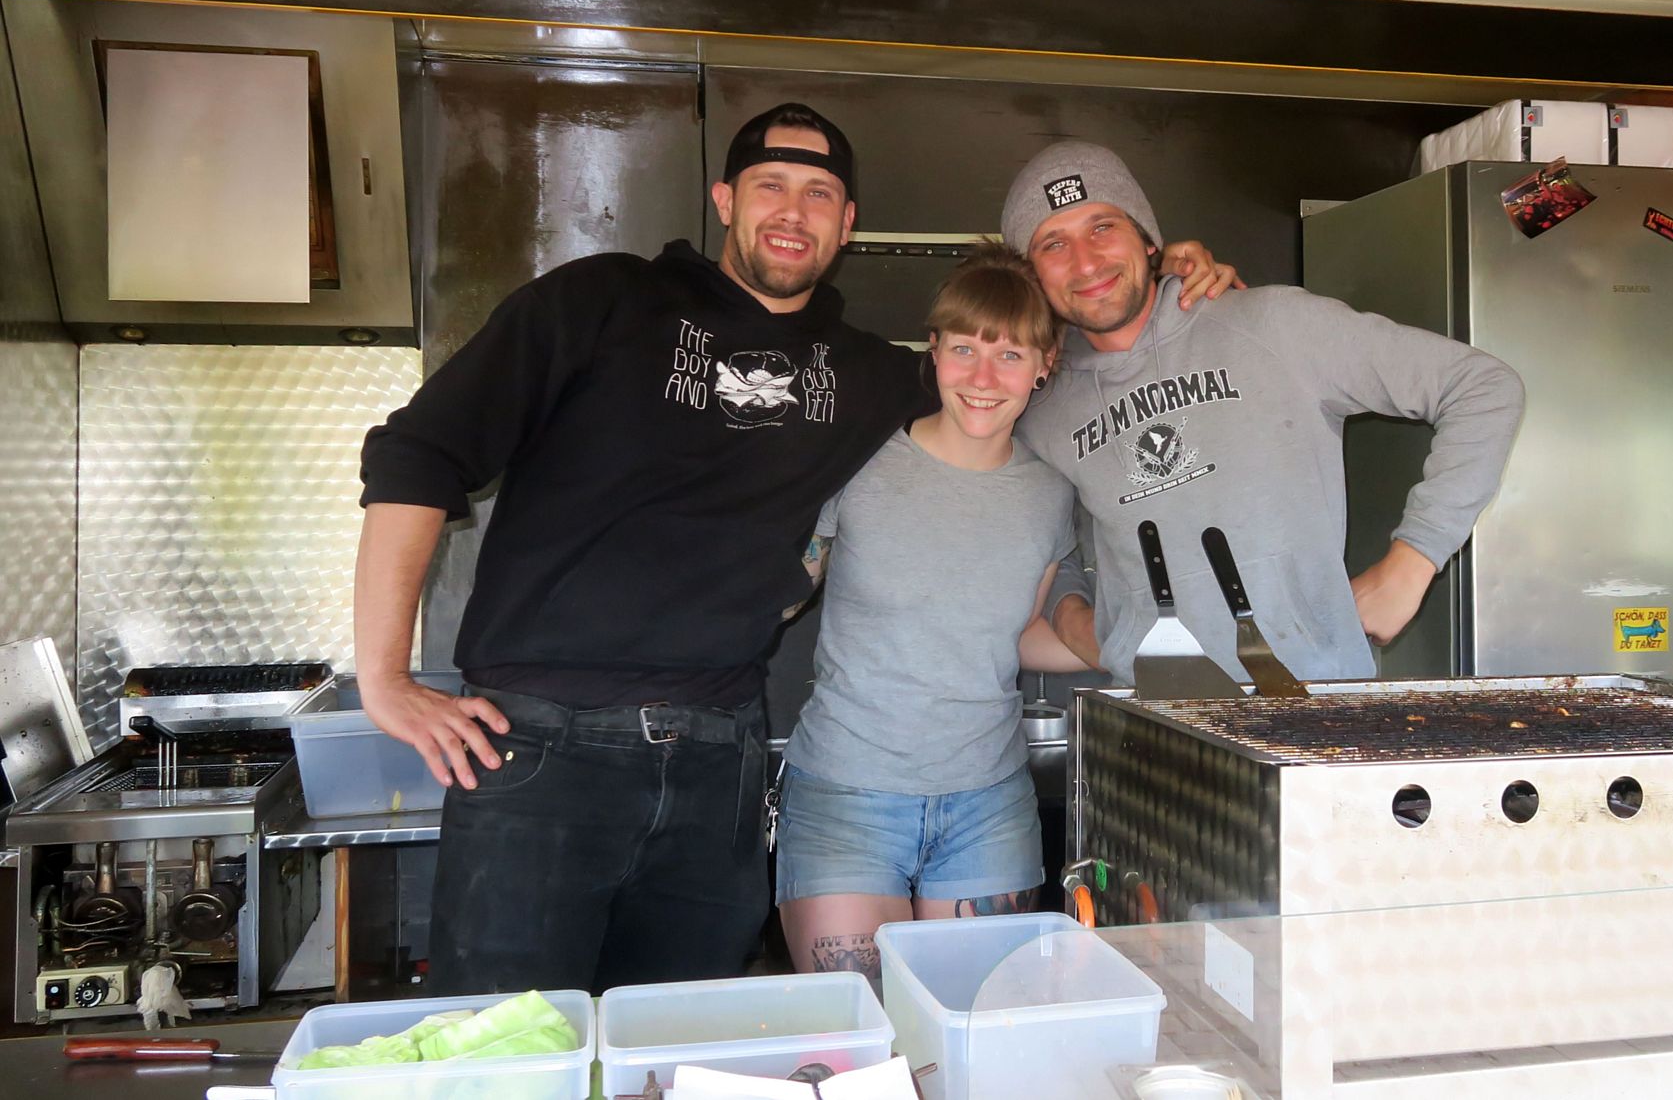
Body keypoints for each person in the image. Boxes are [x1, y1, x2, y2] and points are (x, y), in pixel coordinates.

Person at [354, 104, 1238, 994]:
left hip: (718, 757)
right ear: (724, 200)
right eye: (770, 185)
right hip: (544, 743)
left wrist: (1167, 287)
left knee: (681, 1041)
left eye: (818, 193)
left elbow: (1012, 362)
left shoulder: (866, 376)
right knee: (505, 1041)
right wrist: (384, 677)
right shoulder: (602, 300)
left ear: (846, 222)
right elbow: (418, 452)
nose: (792, 210)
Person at [999, 141, 1526, 685]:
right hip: (1153, 716)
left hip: (1315, 705)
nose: (1086, 261)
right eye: (1053, 243)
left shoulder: (1273, 324)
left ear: (1147, 238)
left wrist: (1412, 561)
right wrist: (1071, 617)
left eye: (1103, 226)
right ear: (1032, 274)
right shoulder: (1040, 405)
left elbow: (1483, 387)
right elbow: (1050, 539)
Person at [773, 245, 1087, 980]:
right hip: (845, 793)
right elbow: (780, 593)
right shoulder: (860, 461)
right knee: (862, 1027)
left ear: (1044, 364)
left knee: (974, 1028)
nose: (983, 378)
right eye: (964, 348)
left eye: (1010, 354)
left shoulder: (1050, 494)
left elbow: (1020, 634)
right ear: (935, 349)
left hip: (987, 804)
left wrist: (1122, 640)